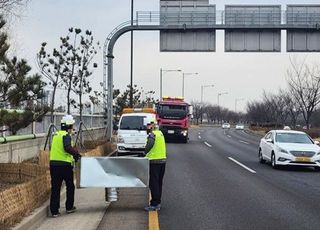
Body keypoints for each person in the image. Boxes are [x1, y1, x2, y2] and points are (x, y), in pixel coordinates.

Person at [49, 114, 82, 217]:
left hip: (53, 165)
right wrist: (76, 154)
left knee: (55, 187)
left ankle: (54, 211)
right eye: (72, 126)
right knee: (70, 186)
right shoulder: (65, 136)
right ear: (68, 127)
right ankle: (69, 207)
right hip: (64, 166)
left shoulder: (56, 135)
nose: (73, 128)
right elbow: (67, 147)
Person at [144, 121, 166, 211]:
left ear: (152, 127)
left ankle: (154, 204)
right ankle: (158, 201)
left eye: (148, 126)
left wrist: (144, 152)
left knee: (154, 183)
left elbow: (149, 145)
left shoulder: (153, 135)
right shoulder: (160, 133)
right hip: (162, 161)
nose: (147, 128)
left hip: (154, 162)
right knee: (159, 182)